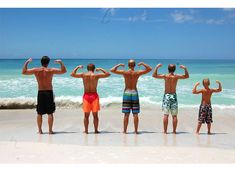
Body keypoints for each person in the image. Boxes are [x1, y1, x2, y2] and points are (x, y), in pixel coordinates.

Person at [22, 56, 67, 134]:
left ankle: (40, 130)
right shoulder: (51, 70)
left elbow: (24, 72)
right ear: (48, 63)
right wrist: (60, 62)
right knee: (50, 113)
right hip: (49, 92)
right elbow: (64, 71)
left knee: (39, 113)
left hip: (41, 92)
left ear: (41, 62)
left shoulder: (36, 70)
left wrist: (27, 62)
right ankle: (50, 131)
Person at [110, 59, 152, 134]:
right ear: (134, 65)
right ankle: (136, 131)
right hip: (134, 93)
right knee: (135, 114)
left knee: (126, 114)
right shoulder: (137, 73)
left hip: (127, 93)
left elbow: (112, 70)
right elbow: (149, 69)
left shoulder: (125, 72)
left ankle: (125, 131)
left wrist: (119, 65)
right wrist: (142, 63)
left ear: (128, 65)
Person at [71, 63, 110, 134]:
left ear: (87, 69)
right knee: (95, 115)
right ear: (94, 69)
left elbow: (72, 74)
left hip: (86, 96)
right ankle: (95, 130)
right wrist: (100, 69)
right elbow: (108, 74)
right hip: (94, 96)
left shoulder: (83, 75)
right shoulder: (96, 75)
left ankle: (86, 131)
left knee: (86, 116)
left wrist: (77, 67)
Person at [152, 63, 189, 134]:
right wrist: (185, 68)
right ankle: (174, 131)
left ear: (168, 69)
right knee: (174, 115)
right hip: (173, 96)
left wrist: (157, 67)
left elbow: (154, 75)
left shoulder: (165, 76)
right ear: (174, 69)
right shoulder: (176, 76)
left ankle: (165, 131)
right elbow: (187, 76)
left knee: (166, 115)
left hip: (166, 96)